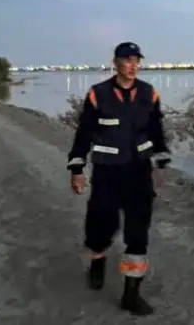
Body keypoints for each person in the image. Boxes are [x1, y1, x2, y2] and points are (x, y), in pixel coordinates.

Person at [66, 42, 171, 315]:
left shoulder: (149, 93)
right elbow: (84, 133)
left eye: (136, 60)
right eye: (127, 60)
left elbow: (156, 131)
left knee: (138, 231)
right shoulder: (98, 94)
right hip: (107, 173)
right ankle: (97, 259)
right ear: (115, 63)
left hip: (139, 172)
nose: (133, 65)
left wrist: (161, 163)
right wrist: (77, 168)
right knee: (101, 224)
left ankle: (131, 294)